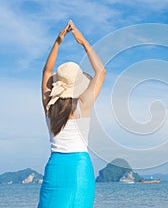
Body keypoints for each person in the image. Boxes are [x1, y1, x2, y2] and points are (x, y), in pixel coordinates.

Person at [38, 20, 106, 208]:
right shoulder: (82, 104)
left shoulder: (48, 106)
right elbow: (101, 71)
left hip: (55, 169)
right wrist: (82, 40)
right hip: (79, 170)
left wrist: (58, 41)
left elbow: (47, 71)